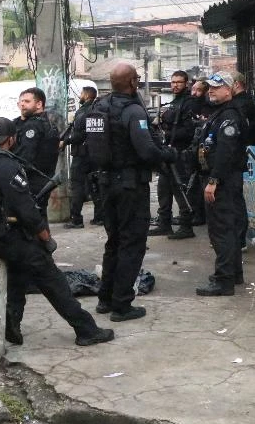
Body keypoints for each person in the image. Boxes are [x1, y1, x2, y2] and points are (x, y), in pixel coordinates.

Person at [0, 117, 115, 346]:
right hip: (8, 234)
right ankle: (86, 329)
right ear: (11, 139)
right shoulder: (6, 165)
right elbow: (25, 208)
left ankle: (12, 324)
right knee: (52, 279)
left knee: (18, 274)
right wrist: (43, 235)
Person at [92, 63, 176, 321]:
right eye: (137, 78)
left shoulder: (98, 107)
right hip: (129, 186)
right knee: (131, 244)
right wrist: (168, 155)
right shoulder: (133, 111)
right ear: (131, 82)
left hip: (105, 184)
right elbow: (146, 150)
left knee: (114, 242)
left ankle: (105, 299)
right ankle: (122, 305)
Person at [194, 72, 247, 296]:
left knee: (221, 230)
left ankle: (223, 280)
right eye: (210, 88)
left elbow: (226, 152)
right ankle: (233, 273)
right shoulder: (221, 114)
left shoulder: (229, 117)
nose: (211, 91)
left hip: (223, 181)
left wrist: (213, 181)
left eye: (217, 87)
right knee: (228, 228)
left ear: (231, 89)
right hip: (223, 179)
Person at [149, 71, 198, 240]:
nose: (175, 85)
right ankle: (164, 223)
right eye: (173, 82)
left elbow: (190, 131)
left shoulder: (189, 103)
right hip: (169, 153)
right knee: (163, 189)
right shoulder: (173, 103)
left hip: (181, 153)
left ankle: (186, 226)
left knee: (180, 190)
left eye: (179, 82)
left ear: (186, 83)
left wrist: (169, 132)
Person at [13, 87, 60, 219]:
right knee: (38, 219)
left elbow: (24, 158)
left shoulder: (33, 125)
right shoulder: (46, 123)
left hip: (31, 181)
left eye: (27, 101)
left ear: (39, 104)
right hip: (41, 180)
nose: (22, 104)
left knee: (32, 222)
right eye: (20, 102)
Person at [61, 86, 101, 228]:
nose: (80, 95)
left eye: (82, 93)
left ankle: (76, 218)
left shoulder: (83, 112)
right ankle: (99, 216)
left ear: (87, 95)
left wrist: (65, 141)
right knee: (95, 185)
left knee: (76, 185)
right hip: (95, 154)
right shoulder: (97, 110)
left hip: (81, 155)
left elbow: (78, 135)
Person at [230, 72, 255, 250]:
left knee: (234, 201)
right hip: (238, 156)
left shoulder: (241, 105)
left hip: (236, 157)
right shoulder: (240, 104)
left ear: (235, 84)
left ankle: (239, 240)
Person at [188, 79, 213, 225]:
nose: (194, 93)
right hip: (193, 152)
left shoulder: (208, 107)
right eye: (193, 89)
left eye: (198, 90)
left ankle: (201, 216)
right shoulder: (190, 105)